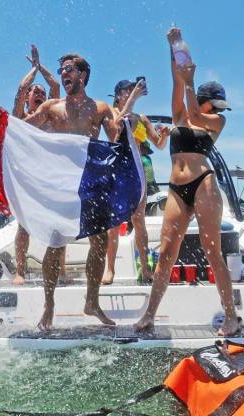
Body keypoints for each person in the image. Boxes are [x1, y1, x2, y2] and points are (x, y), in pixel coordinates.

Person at [24, 52, 143, 330]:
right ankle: (49, 305)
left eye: (68, 69)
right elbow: (23, 129)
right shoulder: (51, 108)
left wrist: (129, 117)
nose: (64, 74)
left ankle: (92, 301)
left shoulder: (100, 108)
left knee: (100, 242)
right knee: (56, 245)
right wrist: (2, 124)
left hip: (91, 182)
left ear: (83, 75)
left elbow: (117, 137)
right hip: (61, 183)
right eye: (62, 70)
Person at [134, 27, 240, 336]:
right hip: (176, 189)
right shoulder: (180, 116)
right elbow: (177, 78)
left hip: (205, 184)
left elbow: (193, 105)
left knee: (212, 252)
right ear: (210, 100)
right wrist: (174, 45)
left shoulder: (216, 121)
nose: (218, 110)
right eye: (216, 103)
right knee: (167, 253)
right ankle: (150, 314)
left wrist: (191, 82)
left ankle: (230, 315)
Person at [102, 79, 170, 285]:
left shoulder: (141, 118)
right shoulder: (111, 112)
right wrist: (133, 99)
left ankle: (146, 268)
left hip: (137, 173)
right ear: (118, 94)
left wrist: (164, 136)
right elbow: (116, 130)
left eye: (134, 89)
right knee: (114, 224)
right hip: (118, 172)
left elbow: (158, 145)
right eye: (128, 90)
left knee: (139, 221)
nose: (132, 92)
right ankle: (110, 269)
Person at [12, 44, 65, 286]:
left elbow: (55, 86)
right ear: (27, 100)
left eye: (41, 91)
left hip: (52, 178)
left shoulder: (52, 115)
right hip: (28, 180)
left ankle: (60, 270)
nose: (39, 92)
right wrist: (32, 70)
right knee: (24, 227)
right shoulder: (21, 118)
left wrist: (41, 66)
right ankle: (20, 271)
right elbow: (21, 89)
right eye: (35, 91)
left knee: (58, 229)